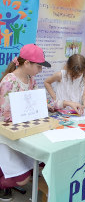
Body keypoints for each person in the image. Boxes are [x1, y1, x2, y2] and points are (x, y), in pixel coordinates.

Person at [0, 44, 51, 201]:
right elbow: (3, 117)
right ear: (27, 63)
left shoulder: (31, 80)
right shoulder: (9, 82)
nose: (40, 70)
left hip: (25, 132)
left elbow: (39, 103)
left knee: (39, 162)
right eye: (38, 66)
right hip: (7, 136)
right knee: (22, 179)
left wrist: (58, 105)